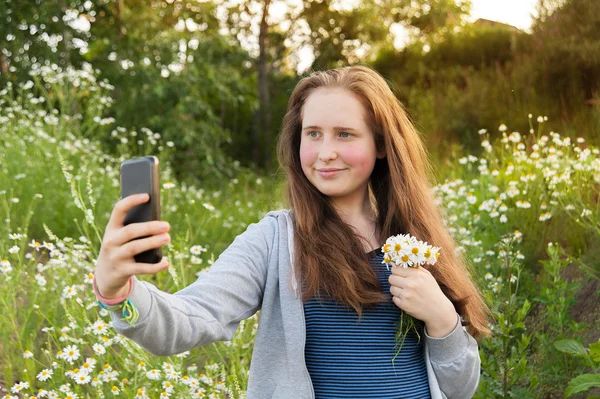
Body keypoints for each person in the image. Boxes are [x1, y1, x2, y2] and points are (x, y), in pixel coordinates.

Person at [93, 65, 492, 399]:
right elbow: (188, 321)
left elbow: (461, 388)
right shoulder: (275, 240)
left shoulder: (414, 240)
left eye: (345, 134)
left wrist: (442, 321)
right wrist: (118, 294)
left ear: (382, 145)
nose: (325, 152)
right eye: (313, 133)